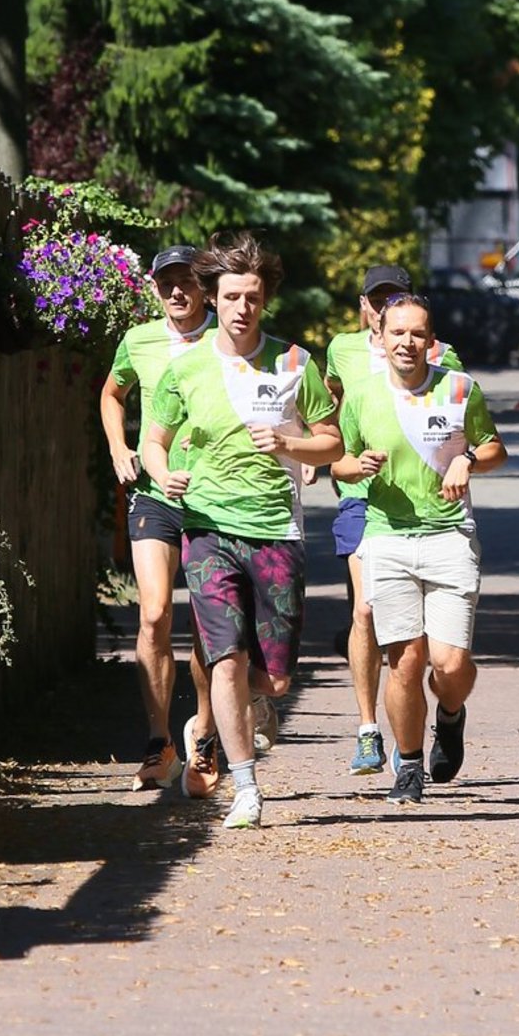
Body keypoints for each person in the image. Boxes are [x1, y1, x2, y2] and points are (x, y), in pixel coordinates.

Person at [142, 232, 342, 829]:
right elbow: (154, 441)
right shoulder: (188, 367)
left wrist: (289, 442)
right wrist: (163, 474)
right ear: (213, 297)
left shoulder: (294, 363)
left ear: (265, 299)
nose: (241, 308)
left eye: (252, 297)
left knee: (275, 679)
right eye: (230, 296)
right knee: (224, 657)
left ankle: (234, 712)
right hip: (207, 526)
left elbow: (332, 442)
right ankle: (246, 788)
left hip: (277, 528)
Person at [332, 293, 507, 804]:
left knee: (449, 664)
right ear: (380, 337)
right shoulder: (362, 395)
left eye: (417, 334)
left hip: (450, 536)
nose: (407, 343)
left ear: (431, 341)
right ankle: (408, 765)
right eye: (397, 333)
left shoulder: (459, 389)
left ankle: (450, 715)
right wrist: (355, 466)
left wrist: (469, 459)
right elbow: (337, 462)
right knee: (405, 661)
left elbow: (496, 447)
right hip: (386, 536)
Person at [325, 265, 463, 776]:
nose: (385, 308)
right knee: (364, 612)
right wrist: (336, 458)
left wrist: (458, 463)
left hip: (424, 503)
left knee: (422, 645)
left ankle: (438, 710)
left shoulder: (440, 354)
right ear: (364, 306)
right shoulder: (341, 349)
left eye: (396, 299)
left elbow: (460, 418)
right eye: (376, 300)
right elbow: (332, 405)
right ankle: (367, 729)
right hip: (361, 496)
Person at [99, 245, 217, 797]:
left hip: (216, 496)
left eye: (187, 281)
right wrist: (120, 447)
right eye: (166, 282)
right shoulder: (139, 340)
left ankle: (208, 736)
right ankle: (158, 742)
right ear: (153, 288)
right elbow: (112, 393)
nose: (177, 292)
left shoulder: (227, 339)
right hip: (154, 492)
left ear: (204, 287)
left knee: (208, 625)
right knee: (152, 616)